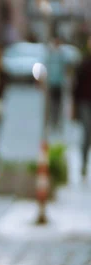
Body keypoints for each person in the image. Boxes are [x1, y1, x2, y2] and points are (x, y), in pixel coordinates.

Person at [72, 35, 91, 178]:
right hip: (85, 102)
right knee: (87, 133)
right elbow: (76, 87)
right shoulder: (84, 63)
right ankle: (83, 164)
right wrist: (74, 107)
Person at [45, 36, 68, 135]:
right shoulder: (50, 54)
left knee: (58, 104)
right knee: (51, 104)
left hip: (59, 83)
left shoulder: (61, 55)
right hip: (51, 82)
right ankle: (51, 122)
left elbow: (65, 69)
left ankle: (57, 122)